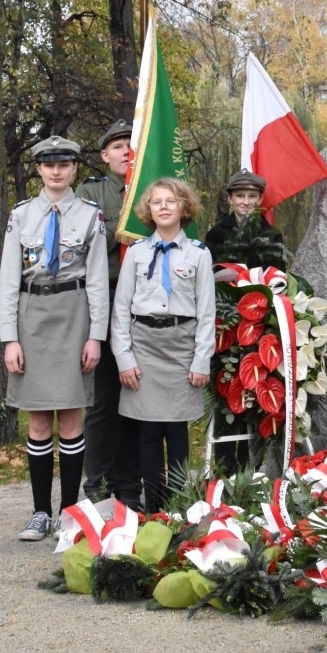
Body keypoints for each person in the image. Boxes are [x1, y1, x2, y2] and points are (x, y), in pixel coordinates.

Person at [0, 135, 109, 540]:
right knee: (39, 417)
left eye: (64, 164)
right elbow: (8, 281)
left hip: (74, 316)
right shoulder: (21, 215)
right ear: (39, 169)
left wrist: (96, 335)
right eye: (49, 165)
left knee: (72, 415)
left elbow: (97, 280)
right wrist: (10, 338)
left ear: (75, 168)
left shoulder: (90, 216)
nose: (56, 171)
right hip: (31, 318)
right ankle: (40, 512)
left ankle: (68, 512)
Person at [111, 178, 215, 513]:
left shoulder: (199, 254)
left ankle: (180, 507)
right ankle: (154, 507)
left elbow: (206, 312)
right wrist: (124, 358)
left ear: (184, 207)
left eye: (171, 200)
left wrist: (201, 360)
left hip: (182, 347)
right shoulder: (137, 253)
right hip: (144, 347)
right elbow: (121, 309)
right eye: (157, 202)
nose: (164, 207)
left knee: (176, 429)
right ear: (149, 210)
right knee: (149, 430)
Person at [75, 119, 141, 508]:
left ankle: (130, 487)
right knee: (103, 400)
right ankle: (97, 485)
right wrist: (132, 219)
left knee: (135, 395)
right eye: (118, 146)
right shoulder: (90, 192)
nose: (126, 151)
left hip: (143, 303)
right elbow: (87, 242)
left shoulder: (153, 188)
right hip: (105, 297)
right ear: (104, 155)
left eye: (131, 144)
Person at [205, 169, 285, 267]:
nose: (246, 202)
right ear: (230, 199)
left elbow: (278, 273)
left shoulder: (273, 236)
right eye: (240, 196)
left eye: (252, 196)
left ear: (260, 199)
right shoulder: (215, 234)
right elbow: (208, 271)